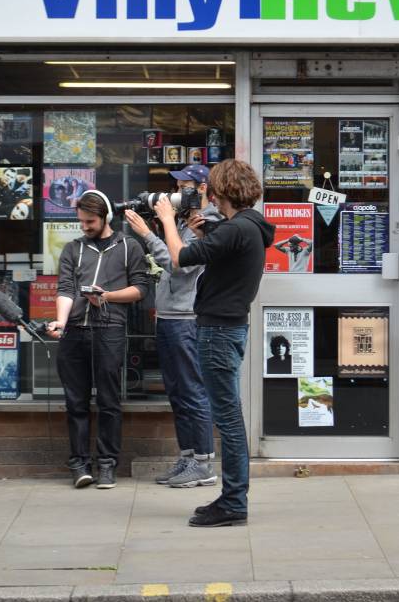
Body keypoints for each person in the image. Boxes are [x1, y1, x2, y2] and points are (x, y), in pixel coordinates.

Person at [154, 158, 275, 528]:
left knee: (229, 420)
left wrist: (165, 220)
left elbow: (179, 257)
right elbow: (223, 254)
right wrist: (205, 234)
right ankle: (230, 497)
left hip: (218, 332)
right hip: (228, 329)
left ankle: (234, 502)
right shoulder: (248, 226)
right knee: (229, 416)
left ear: (220, 191)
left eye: (211, 190)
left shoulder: (236, 228)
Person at [123, 164, 222, 489]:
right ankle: (189, 456)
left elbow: (180, 266)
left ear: (203, 188)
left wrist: (149, 235)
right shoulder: (180, 221)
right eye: (176, 187)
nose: (175, 194)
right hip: (168, 316)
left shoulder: (208, 222)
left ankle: (205, 463)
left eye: (185, 186)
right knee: (178, 393)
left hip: (186, 319)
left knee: (193, 390)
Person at [45, 191, 150, 490]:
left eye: (90, 221)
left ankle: (107, 465)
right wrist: (61, 322)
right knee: (75, 402)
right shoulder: (72, 249)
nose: (85, 226)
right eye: (81, 221)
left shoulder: (129, 247)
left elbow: (141, 289)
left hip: (109, 329)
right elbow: (65, 288)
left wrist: (106, 296)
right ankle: (79, 465)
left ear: (106, 216)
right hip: (75, 330)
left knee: (108, 401)